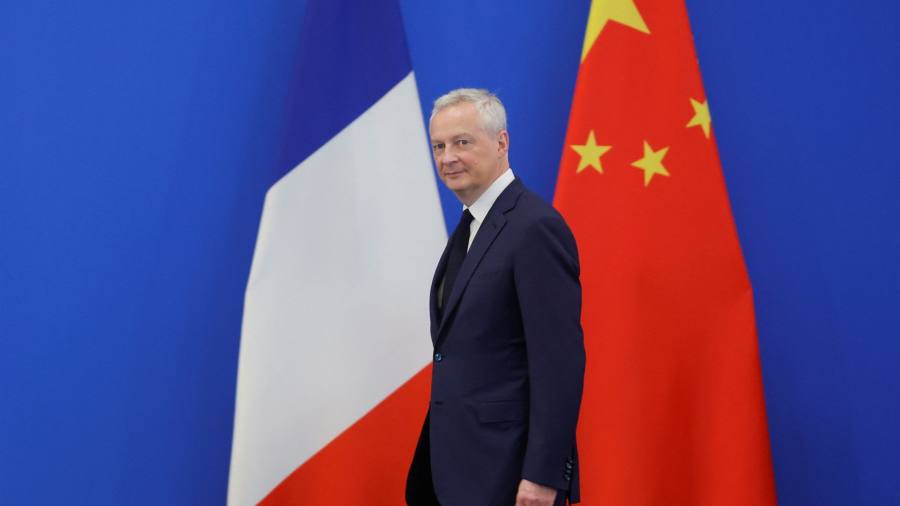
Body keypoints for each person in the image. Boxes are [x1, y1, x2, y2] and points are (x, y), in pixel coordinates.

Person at [405, 88, 586, 506]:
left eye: (461, 142)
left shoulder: (533, 228)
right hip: (455, 472)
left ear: (501, 142)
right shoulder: (472, 226)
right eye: (438, 146)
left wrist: (542, 475)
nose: (447, 157)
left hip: (508, 475)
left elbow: (559, 363)